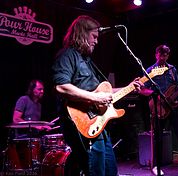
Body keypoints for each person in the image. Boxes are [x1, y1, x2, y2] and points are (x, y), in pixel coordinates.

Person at [51, 15, 143, 176]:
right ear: (82, 33)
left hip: (98, 124)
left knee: (110, 171)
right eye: (93, 36)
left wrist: (129, 87)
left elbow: (104, 93)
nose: (96, 41)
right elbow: (61, 87)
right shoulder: (67, 55)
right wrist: (95, 98)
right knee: (96, 171)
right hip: (82, 123)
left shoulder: (87, 61)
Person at [139, 44, 178, 175]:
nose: (163, 57)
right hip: (159, 107)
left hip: (173, 106)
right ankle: (156, 166)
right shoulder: (150, 70)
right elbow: (142, 89)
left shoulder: (172, 69)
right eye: (161, 54)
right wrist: (156, 96)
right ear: (156, 54)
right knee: (158, 138)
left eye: (166, 55)